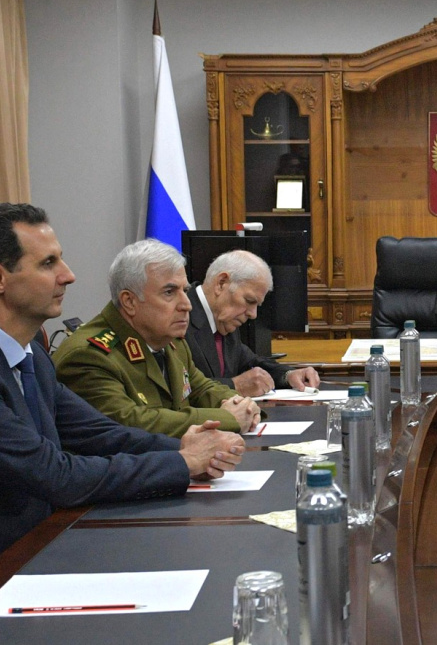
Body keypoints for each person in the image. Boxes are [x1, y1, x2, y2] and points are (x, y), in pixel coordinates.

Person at [0, 204, 244, 554]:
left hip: (45, 545)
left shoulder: (33, 358)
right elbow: (55, 475)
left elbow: (101, 433)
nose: (68, 275)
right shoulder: (63, 355)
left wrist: (185, 447)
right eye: (48, 263)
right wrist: (182, 462)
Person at [55, 239, 260, 437]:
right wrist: (228, 418)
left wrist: (241, 405)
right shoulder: (89, 356)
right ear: (129, 301)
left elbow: (201, 388)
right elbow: (130, 423)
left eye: (185, 291)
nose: (186, 305)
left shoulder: (170, 342)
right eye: (169, 292)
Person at [186, 249, 319, 397]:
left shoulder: (224, 318)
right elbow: (179, 388)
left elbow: (252, 363)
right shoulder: (179, 317)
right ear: (221, 283)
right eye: (249, 301)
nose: (253, 314)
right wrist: (235, 386)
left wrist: (288, 375)